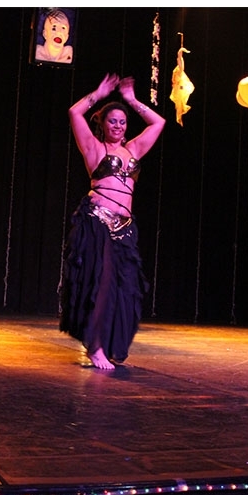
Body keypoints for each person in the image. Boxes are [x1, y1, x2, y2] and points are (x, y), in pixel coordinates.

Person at [60, 73, 166, 369]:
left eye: (122, 122)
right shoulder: (95, 148)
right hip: (98, 223)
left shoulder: (133, 150)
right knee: (102, 283)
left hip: (125, 228)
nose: (118, 126)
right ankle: (94, 347)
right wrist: (99, 93)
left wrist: (132, 100)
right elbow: (74, 112)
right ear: (103, 124)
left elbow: (159, 123)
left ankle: (110, 344)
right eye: (112, 121)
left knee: (125, 289)